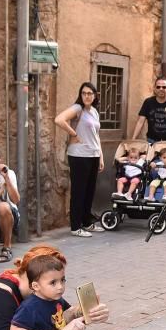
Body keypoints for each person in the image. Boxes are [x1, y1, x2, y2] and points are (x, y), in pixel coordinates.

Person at [55, 82, 105, 238]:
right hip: (79, 156)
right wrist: (74, 134)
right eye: (84, 93)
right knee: (79, 191)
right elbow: (59, 119)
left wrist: (101, 156)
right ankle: (76, 226)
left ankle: (87, 222)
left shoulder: (94, 112)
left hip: (93, 155)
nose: (87, 96)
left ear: (95, 95)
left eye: (90, 93)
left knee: (89, 191)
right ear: (80, 95)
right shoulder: (78, 108)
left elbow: (96, 135)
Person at [131, 77, 166, 145]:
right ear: (154, 88)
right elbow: (140, 122)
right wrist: (133, 139)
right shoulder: (148, 102)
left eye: (164, 87)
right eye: (158, 87)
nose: (161, 89)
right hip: (152, 141)